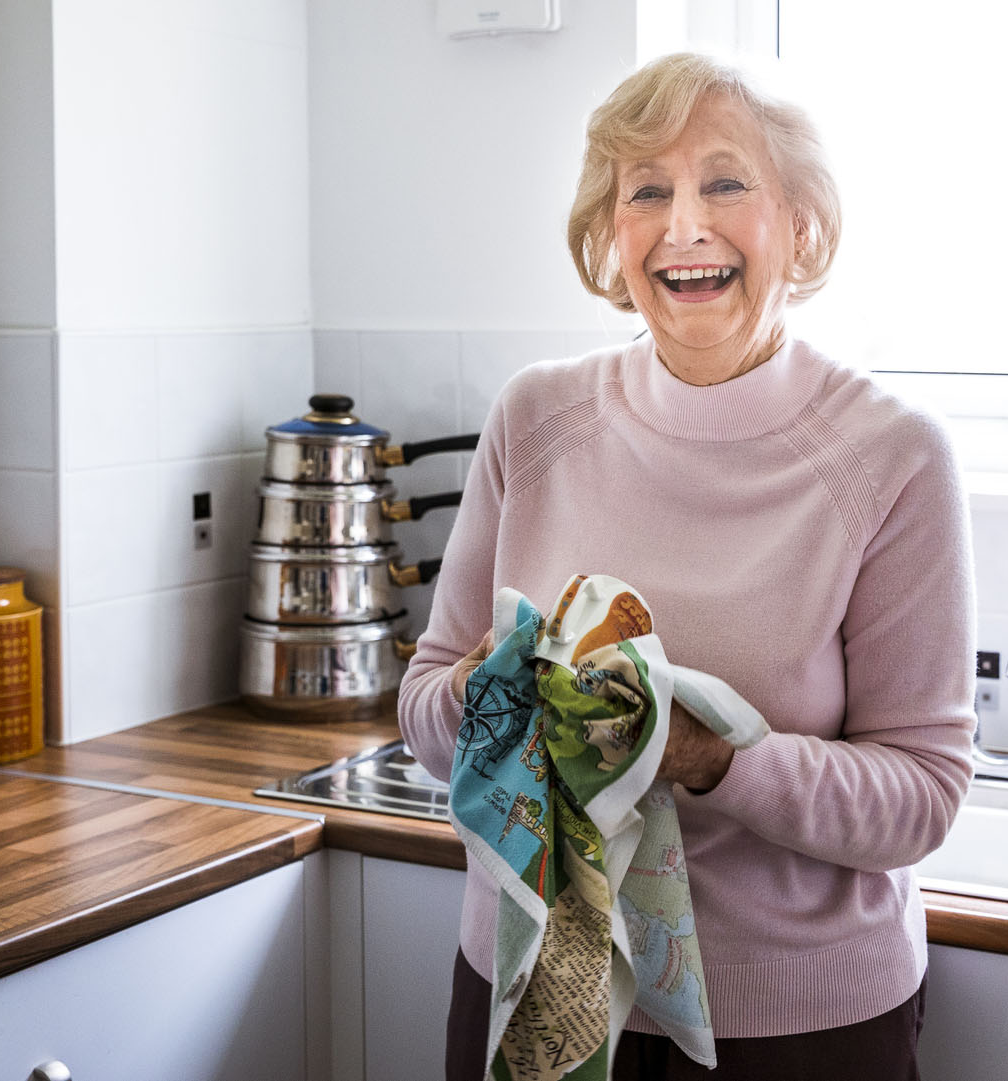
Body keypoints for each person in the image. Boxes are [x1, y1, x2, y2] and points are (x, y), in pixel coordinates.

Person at [398, 51, 976, 1081]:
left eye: (724, 182)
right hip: (532, 988)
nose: (683, 226)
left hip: (796, 1026)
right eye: (646, 192)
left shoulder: (890, 454)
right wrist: (481, 695)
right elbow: (425, 718)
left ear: (801, 224)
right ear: (609, 235)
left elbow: (919, 796)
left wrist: (712, 760)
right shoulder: (533, 419)